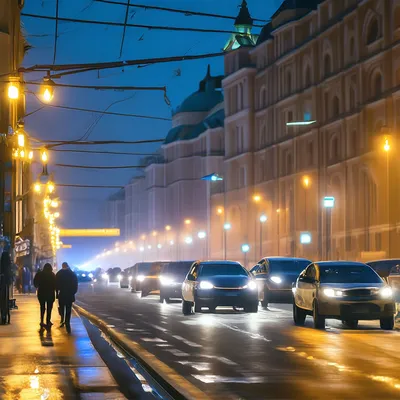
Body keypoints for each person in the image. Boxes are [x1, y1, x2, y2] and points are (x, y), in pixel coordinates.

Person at [56, 262, 78, 333]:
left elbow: (56, 284)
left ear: (62, 266)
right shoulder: (72, 274)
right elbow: (75, 284)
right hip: (69, 295)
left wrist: (57, 292)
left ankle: (62, 319)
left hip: (62, 294)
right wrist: (73, 292)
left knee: (62, 308)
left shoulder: (59, 273)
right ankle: (67, 322)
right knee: (68, 309)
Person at [33, 263, 56, 329]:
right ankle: (48, 321)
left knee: (42, 307)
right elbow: (55, 284)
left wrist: (37, 287)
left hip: (41, 293)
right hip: (50, 294)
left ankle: (42, 321)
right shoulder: (52, 275)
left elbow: (35, 282)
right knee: (49, 308)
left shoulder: (39, 274)